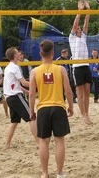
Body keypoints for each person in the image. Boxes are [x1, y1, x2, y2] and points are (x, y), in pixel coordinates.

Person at [29, 39, 74, 178]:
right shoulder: (60, 69)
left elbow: (31, 94)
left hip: (43, 108)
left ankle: (45, 173)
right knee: (59, 141)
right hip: (58, 107)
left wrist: (32, 111)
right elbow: (68, 91)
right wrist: (71, 107)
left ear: (40, 53)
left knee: (43, 141)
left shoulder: (35, 71)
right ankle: (59, 173)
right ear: (53, 53)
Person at [3, 47, 38, 149]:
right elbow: (23, 82)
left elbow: (14, 84)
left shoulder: (8, 67)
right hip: (16, 97)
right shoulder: (14, 67)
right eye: (18, 53)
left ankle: (7, 144)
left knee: (14, 122)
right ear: (15, 56)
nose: (20, 54)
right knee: (32, 117)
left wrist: (26, 91)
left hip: (9, 98)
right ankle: (39, 143)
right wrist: (38, 84)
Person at [69, 0, 92, 125]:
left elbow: (86, 22)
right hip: (77, 67)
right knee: (80, 93)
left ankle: (87, 114)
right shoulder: (72, 38)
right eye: (77, 28)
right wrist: (79, 11)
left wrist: (88, 10)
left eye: (79, 28)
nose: (78, 28)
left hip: (86, 66)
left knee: (87, 92)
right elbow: (76, 23)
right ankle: (83, 115)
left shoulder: (83, 36)